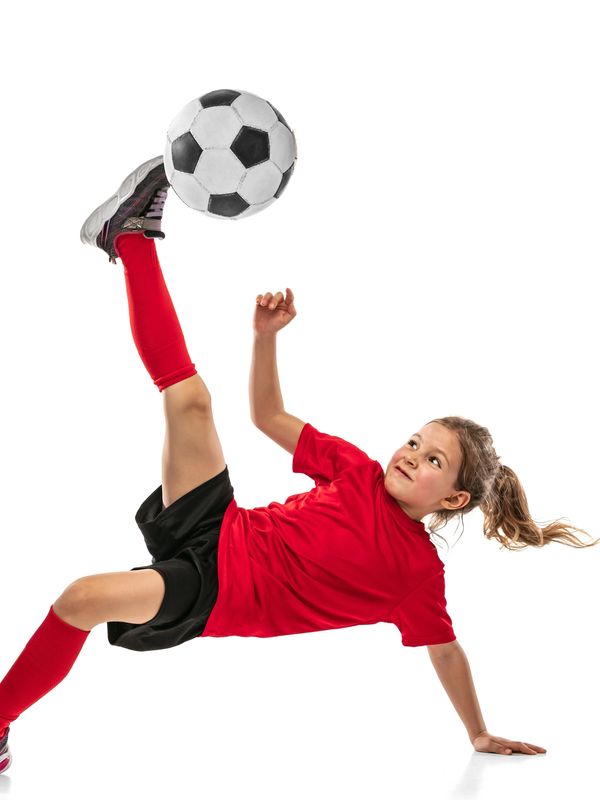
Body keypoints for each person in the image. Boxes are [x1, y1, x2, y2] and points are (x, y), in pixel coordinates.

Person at [12, 154, 600, 775]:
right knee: (190, 401)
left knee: (80, 598)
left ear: (453, 498)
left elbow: (447, 653)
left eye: (433, 460)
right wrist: (266, 337)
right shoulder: (357, 471)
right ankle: (129, 238)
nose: (409, 456)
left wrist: (479, 733)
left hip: (215, 592)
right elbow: (267, 416)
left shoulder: (417, 575)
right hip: (221, 525)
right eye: (414, 441)